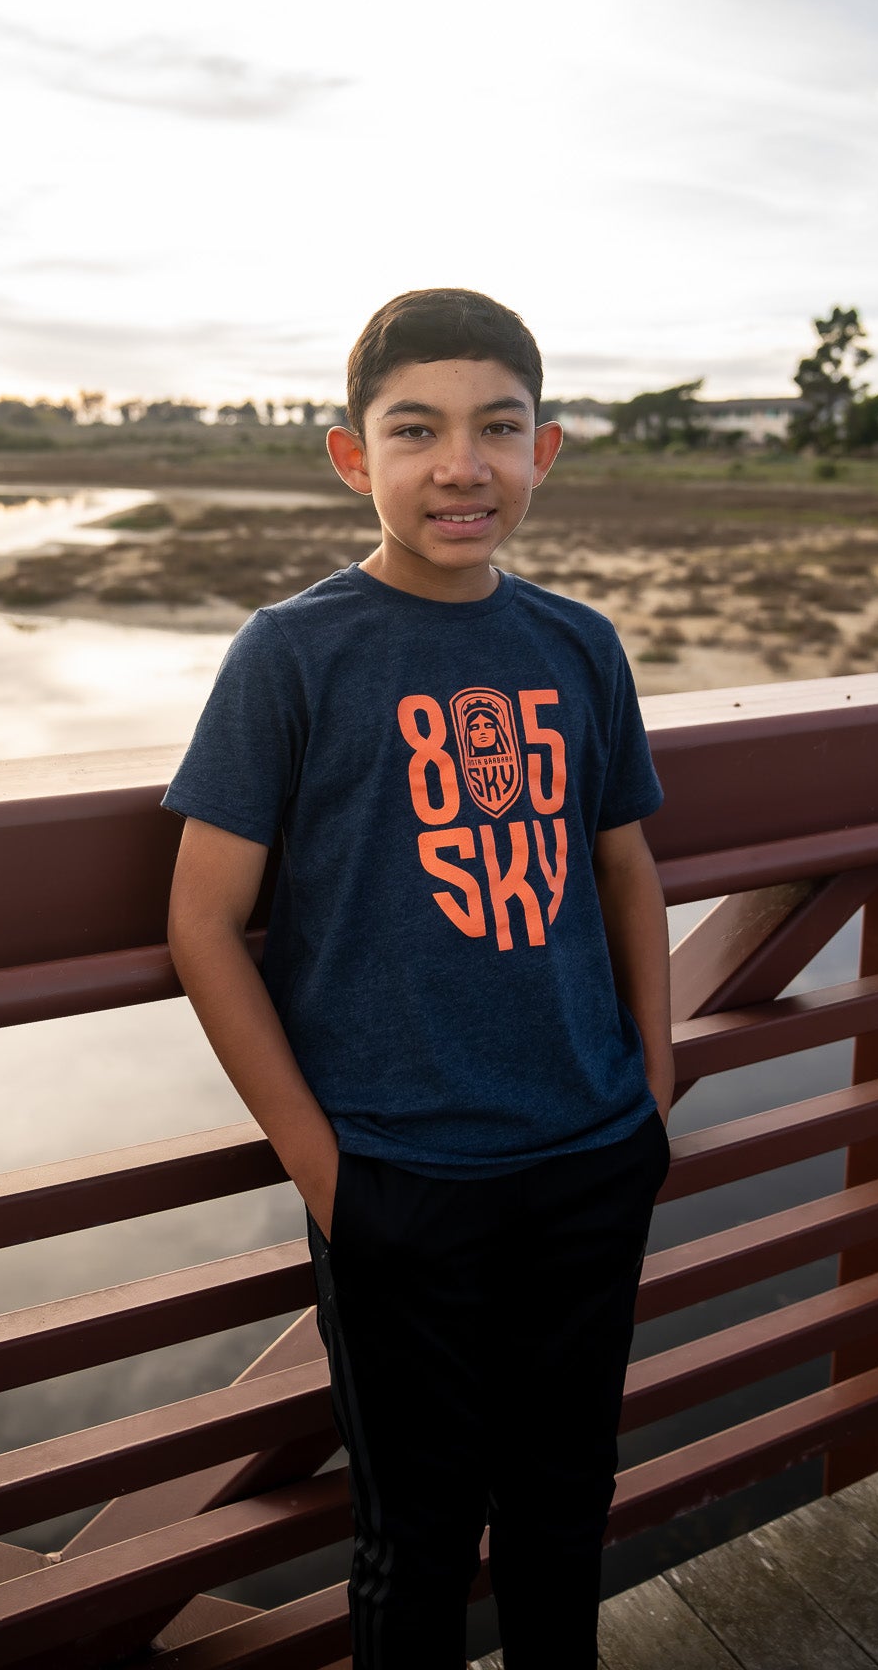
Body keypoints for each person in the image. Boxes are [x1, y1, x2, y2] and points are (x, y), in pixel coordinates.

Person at [164, 288, 673, 1669]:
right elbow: (203, 923)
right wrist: (323, 1169)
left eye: (496, 429)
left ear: (544, 452)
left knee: (568, 1506)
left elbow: (624, 867)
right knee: (417, 1539)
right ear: (353, 459)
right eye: (417, 431)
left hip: (588, 1152)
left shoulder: (577, 644)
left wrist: (651, 1084)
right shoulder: (292, 652)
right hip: (399, 1174)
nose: (462, 464)